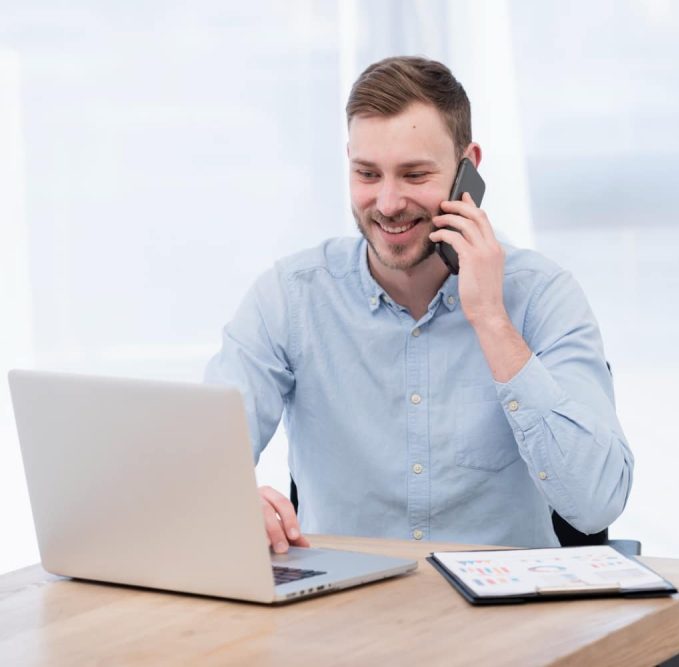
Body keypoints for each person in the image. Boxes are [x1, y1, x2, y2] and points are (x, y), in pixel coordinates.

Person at [205, 56, 633, 551]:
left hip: (504, 616)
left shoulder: (541, 295)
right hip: (346, 612)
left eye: (414, 175)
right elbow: (202, 463)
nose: (387, 203)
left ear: (466, 168)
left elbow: (597, 502)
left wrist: (492, 320)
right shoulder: (292, 297)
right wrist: (234, 499)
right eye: (368, 173)